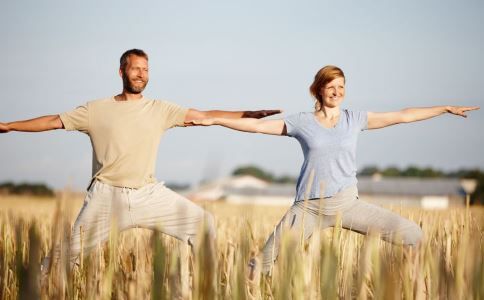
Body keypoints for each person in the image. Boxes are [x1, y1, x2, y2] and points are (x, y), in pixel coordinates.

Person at [0, 49, 281, 272]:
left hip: (149, 194)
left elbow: (203, 115)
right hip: (106, 198)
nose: (141, 74)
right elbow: (52, 121)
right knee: (63, 259)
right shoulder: (95, 110)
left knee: (203, 223)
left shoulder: (159, 109)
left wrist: (246, 113)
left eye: (146, 70)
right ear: (122, 71)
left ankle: (203, 288)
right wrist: (10, 125)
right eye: (136, 68)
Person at [185, 65, 480, 276]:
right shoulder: (302, 122)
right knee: (262, 264)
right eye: (331, 86)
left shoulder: (355, 119)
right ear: (318, 89)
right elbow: (256, 126)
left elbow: (402, 115)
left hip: (347, 204)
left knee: (413, 235)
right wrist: (214, 119)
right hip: (308, 209)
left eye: (341, 87)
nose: (337, 92)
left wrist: (444, 108)